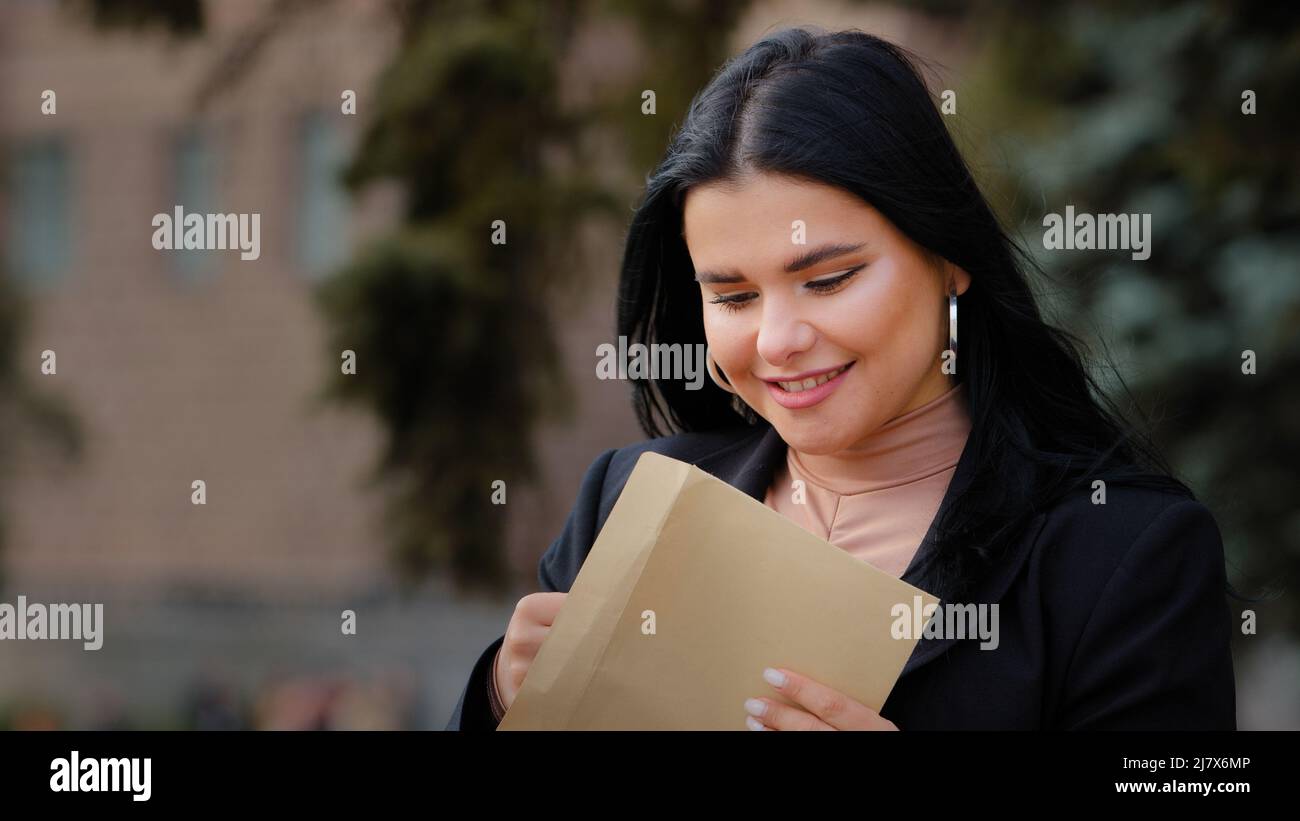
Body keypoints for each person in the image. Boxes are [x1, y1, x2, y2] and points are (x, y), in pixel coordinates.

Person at [446, 27, 1236, 730]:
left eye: (828, 280)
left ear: (948, 258)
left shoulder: (1123, 552)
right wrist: (499, 699)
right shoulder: (627, 500)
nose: (779, 340)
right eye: (733, 296)